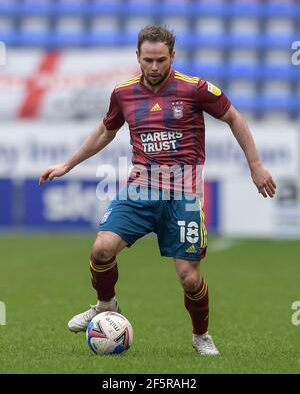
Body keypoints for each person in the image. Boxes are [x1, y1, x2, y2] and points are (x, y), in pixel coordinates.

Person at [39, 25, 276, 355]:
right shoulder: (123, 93)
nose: (153, 67)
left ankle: (200, 335)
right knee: (102, 248)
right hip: (140, 189)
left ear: (172, 57)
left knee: (190, 279)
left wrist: (255, 165)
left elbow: (234, 118)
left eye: (160, 60)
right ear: (137, 56)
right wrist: (68, 164)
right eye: (147, 60)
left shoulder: (195, 89)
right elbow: (105, 131)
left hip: (184, 195)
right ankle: (106, 305)